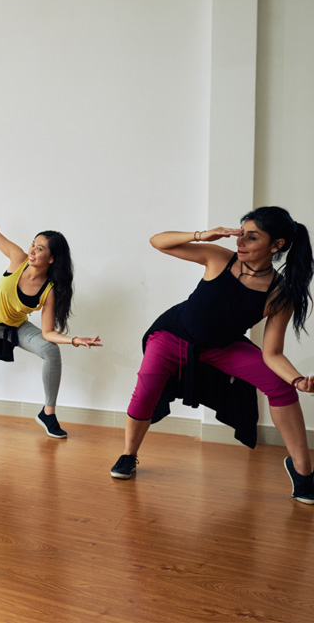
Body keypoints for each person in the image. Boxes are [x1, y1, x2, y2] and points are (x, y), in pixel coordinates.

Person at [110, 208, 314, 505]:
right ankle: (129, 455)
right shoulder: (219, 258)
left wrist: (296, 379)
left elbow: (272, 353)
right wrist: (201, 235)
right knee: (146, 390)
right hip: (171, 337)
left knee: (280, 385)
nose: (240, 242)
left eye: (251, 237)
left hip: (223, 347)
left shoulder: (280, 294)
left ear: (277, 245)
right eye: (240, 233)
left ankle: (303, 471)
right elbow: (157, 241)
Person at [0, 184, 102, 438]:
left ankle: (48, 413)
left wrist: (73, 340)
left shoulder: (49, 289)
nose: (32, 250)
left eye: (40, 248)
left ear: (52, 258)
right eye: (33, 244)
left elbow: (48, 332)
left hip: (14, 327)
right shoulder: (18, 259)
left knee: (51, 351)